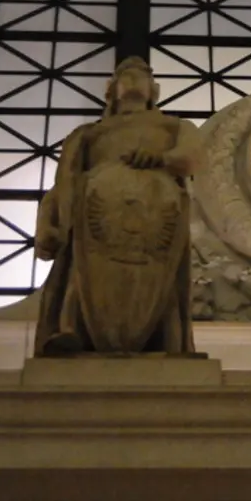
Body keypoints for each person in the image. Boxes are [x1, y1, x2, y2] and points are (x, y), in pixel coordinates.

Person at [34, 56, 205, 356]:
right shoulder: (88, 134)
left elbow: (192, 158)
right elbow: (63, 183)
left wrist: (161, 158)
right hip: (92, 212)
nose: (135, 81)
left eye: (143, 77)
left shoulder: (175, 126)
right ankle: (70, 330)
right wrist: (46, 222)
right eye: (128, 76)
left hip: (158, 212)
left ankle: (169, 341)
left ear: (155, 90)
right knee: (80, 268)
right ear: (110, 90)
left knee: (162, 278)